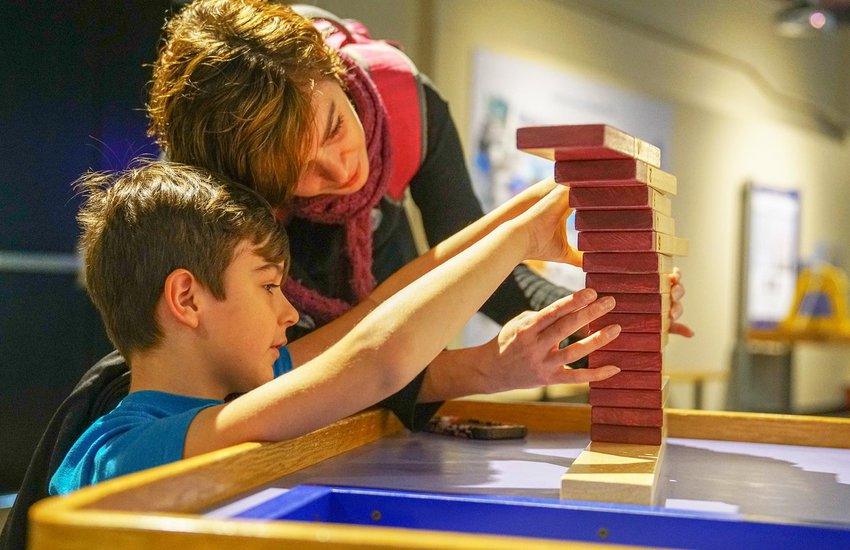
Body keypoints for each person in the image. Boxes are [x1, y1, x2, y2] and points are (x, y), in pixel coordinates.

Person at [146, 0, 691, 427]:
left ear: (332, 67)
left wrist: (615, 317)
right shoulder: (221, 187)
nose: (341, 171)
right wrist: (477, 364)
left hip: (389, 361)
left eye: (336, 127)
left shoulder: (407, 106)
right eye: (298, 174)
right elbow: (264, 381)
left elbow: (483, 278)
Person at [48, 160, 620, 495]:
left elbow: (373, 311)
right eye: (269, 287)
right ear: (187, 299)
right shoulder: (118, 454)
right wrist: (519, 241)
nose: (290, 312)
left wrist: (523, 215)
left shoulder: (249, 389)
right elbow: (375, 360)